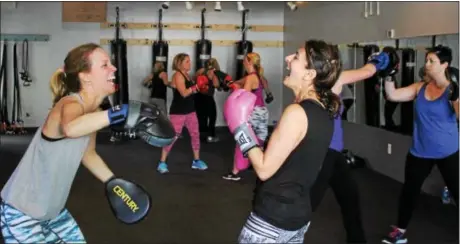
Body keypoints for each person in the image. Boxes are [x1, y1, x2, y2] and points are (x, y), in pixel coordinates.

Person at [0, 43, 156, 243]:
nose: (114, 68)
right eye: (104, 65)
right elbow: (71, 128)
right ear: (85, 76)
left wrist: (115, 183)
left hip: (53, 211)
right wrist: (120, 112)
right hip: (22, 213)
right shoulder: (69, 103)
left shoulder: (93, 111)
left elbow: (88, 154)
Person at [224, 39, 342, 243]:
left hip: (271, 221)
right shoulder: (324, 112)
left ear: (309, 74)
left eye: (296, 57)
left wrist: (240, 128)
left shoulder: (296, 112)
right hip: (298, 217)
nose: (288, 59)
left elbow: (263, 168)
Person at [309, 51, 392, 244]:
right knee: (308, 204)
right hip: (325, 153)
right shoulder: (334, 79)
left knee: (350, 199)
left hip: (334, 153)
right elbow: (367, 71)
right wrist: (380, 59)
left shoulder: (315, 83)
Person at [381, 45, 459, 244]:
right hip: (420, 151)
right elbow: (393, 95)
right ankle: (399, 232)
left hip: (448, 151)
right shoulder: (420, 87)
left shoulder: (452, 89)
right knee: (409, 192)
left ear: (444, 64)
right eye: (426, 60)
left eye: (432, 61)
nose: (427, 64)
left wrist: (457, 97)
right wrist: (389, 75)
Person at [157, 53, 209, 174]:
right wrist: (196, 87)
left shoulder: (187, 75)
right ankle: (162, 162)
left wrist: (199, 88)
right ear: (179, 63)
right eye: (187, 61)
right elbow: (184, 93)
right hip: (178, 112)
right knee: (173, 137)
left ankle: (196, 161)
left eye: (189, 61)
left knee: (195, 135)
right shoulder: (178, 75)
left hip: (190, 110)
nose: (190, 63)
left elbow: (187, 91)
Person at [222, 52, 269, 181]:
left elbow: (244, 98)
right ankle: (262, 168)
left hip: (252, 112)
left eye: (244, 60)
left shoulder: (250, 78)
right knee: (258, 140)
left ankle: (234, 172)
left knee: (243, 139)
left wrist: (236, 89)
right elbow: (241, 83)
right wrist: (232, 83)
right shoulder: (259, 76)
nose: (242, 62)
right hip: (262, 111)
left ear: (249, 62)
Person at [194, 58, 221, 143]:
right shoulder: (213, 72)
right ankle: (210, 136)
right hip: (207, 97)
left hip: (198, 96)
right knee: (212, 116)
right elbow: (216, 85)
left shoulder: (201, 70)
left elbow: (193, 79)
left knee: (201, 116)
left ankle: (201, 136)